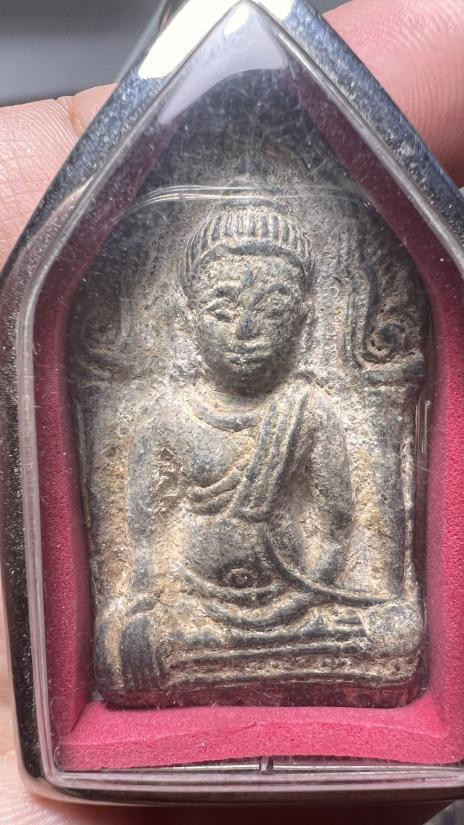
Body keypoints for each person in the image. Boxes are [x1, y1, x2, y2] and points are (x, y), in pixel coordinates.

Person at [0, 0, 463, 821]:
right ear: (187, 314)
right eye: (224, 308)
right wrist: (158, 607)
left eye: (272, 309)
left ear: (304, 316)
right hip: (195, 619)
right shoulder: (160, 418)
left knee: (394, 640)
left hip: (303, 615)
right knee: (127, 648)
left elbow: (357, 551)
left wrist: (316, 589)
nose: (248, 330)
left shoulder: (317, 410)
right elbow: (138, 569)